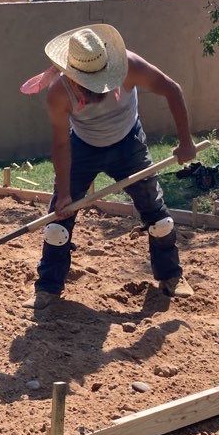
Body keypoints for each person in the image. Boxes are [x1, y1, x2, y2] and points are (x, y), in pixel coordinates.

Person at [22, 24, 198, 310]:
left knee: (158, 218)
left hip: (128, 143)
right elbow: (61, 144)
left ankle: (171, 276)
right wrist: (65, 193)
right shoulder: (58, 93)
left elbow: (172, 89)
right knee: (57, 223)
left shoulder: (130, 66)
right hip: (82, 148)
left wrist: (186, 142)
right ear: (73, 76)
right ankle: (47, 288)